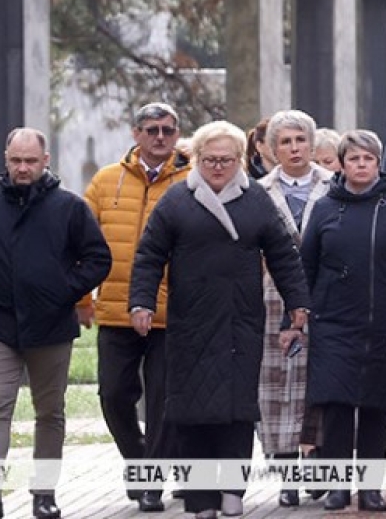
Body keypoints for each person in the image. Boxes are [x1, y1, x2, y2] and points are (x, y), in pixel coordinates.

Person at [129, 120, 311, 519]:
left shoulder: (256, 202)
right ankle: (199, 500)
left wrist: (298, 303)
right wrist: (141, 302)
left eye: (226, 160)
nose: (217, 167)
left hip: (241, 321)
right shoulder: (177, 201)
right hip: (189, 323)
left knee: (237, 410)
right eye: (209, 160)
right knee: (190, 413)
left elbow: (283, 254)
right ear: (196, 159)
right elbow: (148, 256)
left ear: (240, 161)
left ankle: (232, 490)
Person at [0, 128, 112, 519]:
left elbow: (98, 259)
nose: (23, 168)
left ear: (46, 160)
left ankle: (43, 493)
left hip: (51, 328)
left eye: (31, 161)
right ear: (6, 159)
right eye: (16, 160)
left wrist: (62, 290)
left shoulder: (69, 207)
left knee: (49, 411)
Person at [301, 130, 386, 513]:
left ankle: (370, 488)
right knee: (337, 407)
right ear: (341, 163)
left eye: (368, 159)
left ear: (378, 163)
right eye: (353, 158)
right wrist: (304, 314)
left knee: (375, 407)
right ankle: (337, 487)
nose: (360, 165)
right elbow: (305, 265)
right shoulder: (323, 208)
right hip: (333, 325)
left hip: (383, 324)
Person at [81, 102, 188, 513]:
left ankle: (151, 482)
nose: (159, 137)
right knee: (113, 394)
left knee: (162, 400)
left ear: (177, 134)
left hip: (171, 313)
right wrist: (81, 299)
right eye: (151, 130)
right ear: (135, 133)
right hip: (117, 309)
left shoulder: (193, 181)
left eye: (167, 130)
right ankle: (139, 460)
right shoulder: (107, 182)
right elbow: (82, 244)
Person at [255, 110, 334, 508]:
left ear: (312, 142)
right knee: (276, 388)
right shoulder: (258, 190)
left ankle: (316, 461)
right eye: (285, 142)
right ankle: (284, 471)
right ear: (273, 149)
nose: (294, 148)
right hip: (271, 298)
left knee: (316, 385)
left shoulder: (333, 185)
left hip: (324, 296)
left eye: (300, 139)